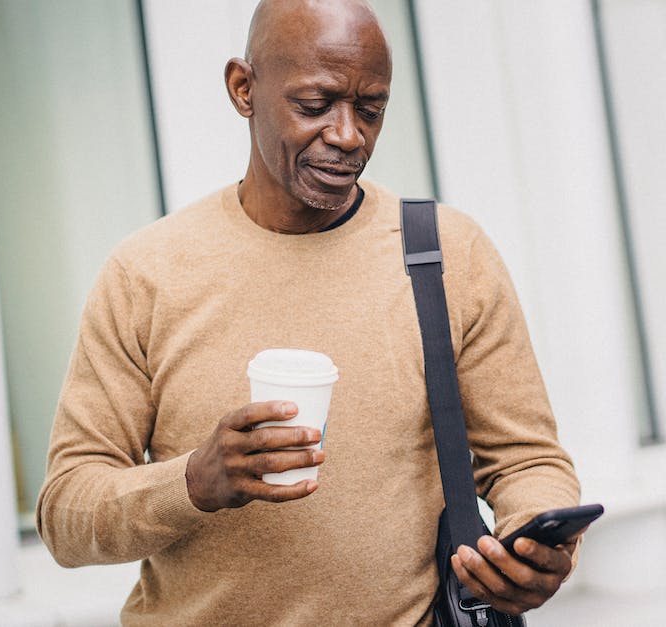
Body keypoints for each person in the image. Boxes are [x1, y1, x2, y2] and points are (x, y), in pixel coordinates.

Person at [36, 0, 582, 623]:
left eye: (370, 110)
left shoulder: (444, 254)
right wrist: (193, 482)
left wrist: (538, 541)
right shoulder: (147, 275)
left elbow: (527, 461)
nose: (349, 136)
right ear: (244, 88)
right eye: (315, 105)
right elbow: (65, 515)